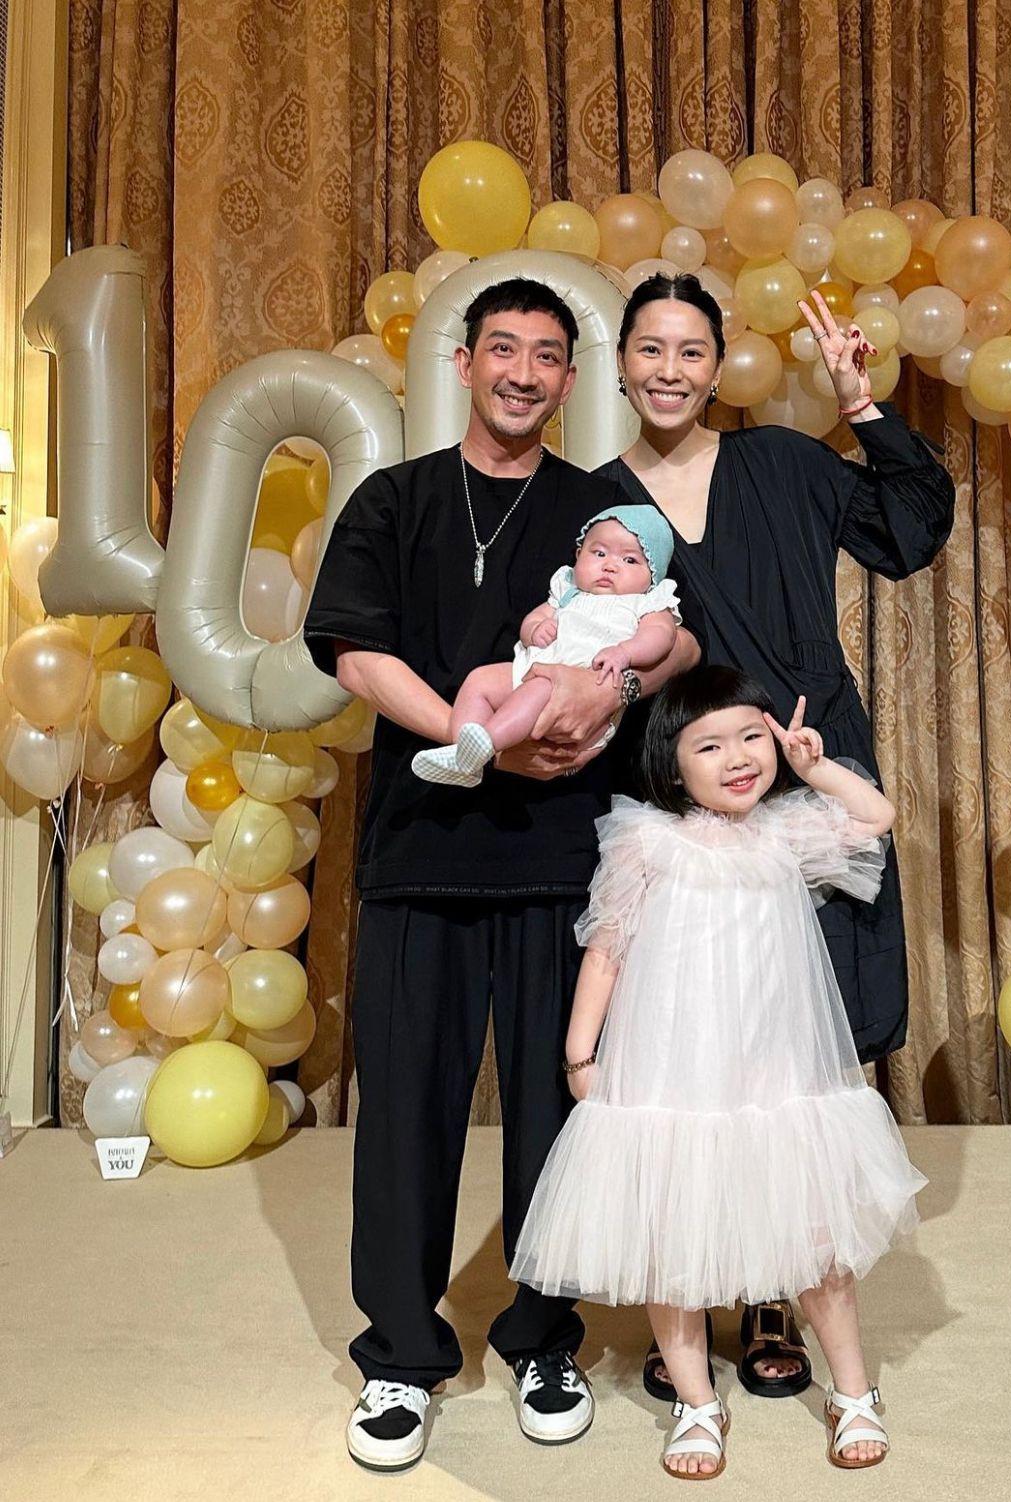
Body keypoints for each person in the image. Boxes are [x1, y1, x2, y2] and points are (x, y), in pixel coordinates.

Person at [302, 276, 700, 1473]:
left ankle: (542, 1336)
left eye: (546, 355)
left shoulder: (601, 508)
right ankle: (401, 1354)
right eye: (502, 349)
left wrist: (611, 687)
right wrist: (476, 741)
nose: (523, 372)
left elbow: (678, 634)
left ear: (571, 379)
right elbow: (357, 652)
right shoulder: (395, 499)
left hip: (563, 859)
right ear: (464, 361)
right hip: (422, 852)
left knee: (554, 1115)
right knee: (403, 1113)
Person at [596, 272, 955, 1405]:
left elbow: (908, 530)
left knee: (798, 1044)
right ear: (620, 363)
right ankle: (690, 1287)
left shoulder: (786, 463)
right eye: (650, 348)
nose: (670, 370)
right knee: (689, 1043)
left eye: (691, 351)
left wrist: (860, 404)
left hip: (807, 760)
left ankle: (772, 1297)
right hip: (675, 790)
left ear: (718, 366)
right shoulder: (596, 505)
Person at [512, 665, 928, 1478]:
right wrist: (580, 1054)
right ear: (671, 765)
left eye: (750, 737)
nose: (738, 758)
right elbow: (606, 949)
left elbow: (875, 816)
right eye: (710, 746)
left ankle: (852, 1390)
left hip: (777, 1068)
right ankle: (697, 1402)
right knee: (671, 1239)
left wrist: (816, 768)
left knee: (816, 1238)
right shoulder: (646, 840)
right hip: (671, 1070)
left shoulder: (785, 830)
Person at [412, 505, 681, 788]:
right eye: (599, 553)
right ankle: (463, 756)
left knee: (540, 685)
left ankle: (486, 744)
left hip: (578, 693)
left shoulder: (646, 601)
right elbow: (535, 618)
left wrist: (626, 652)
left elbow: (662, 636)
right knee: (479, 680)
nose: (610, 566)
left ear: (653, 575)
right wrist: (534, 630)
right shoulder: (568, 591)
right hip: (533, 669)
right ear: (579, 554)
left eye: (629, 560)